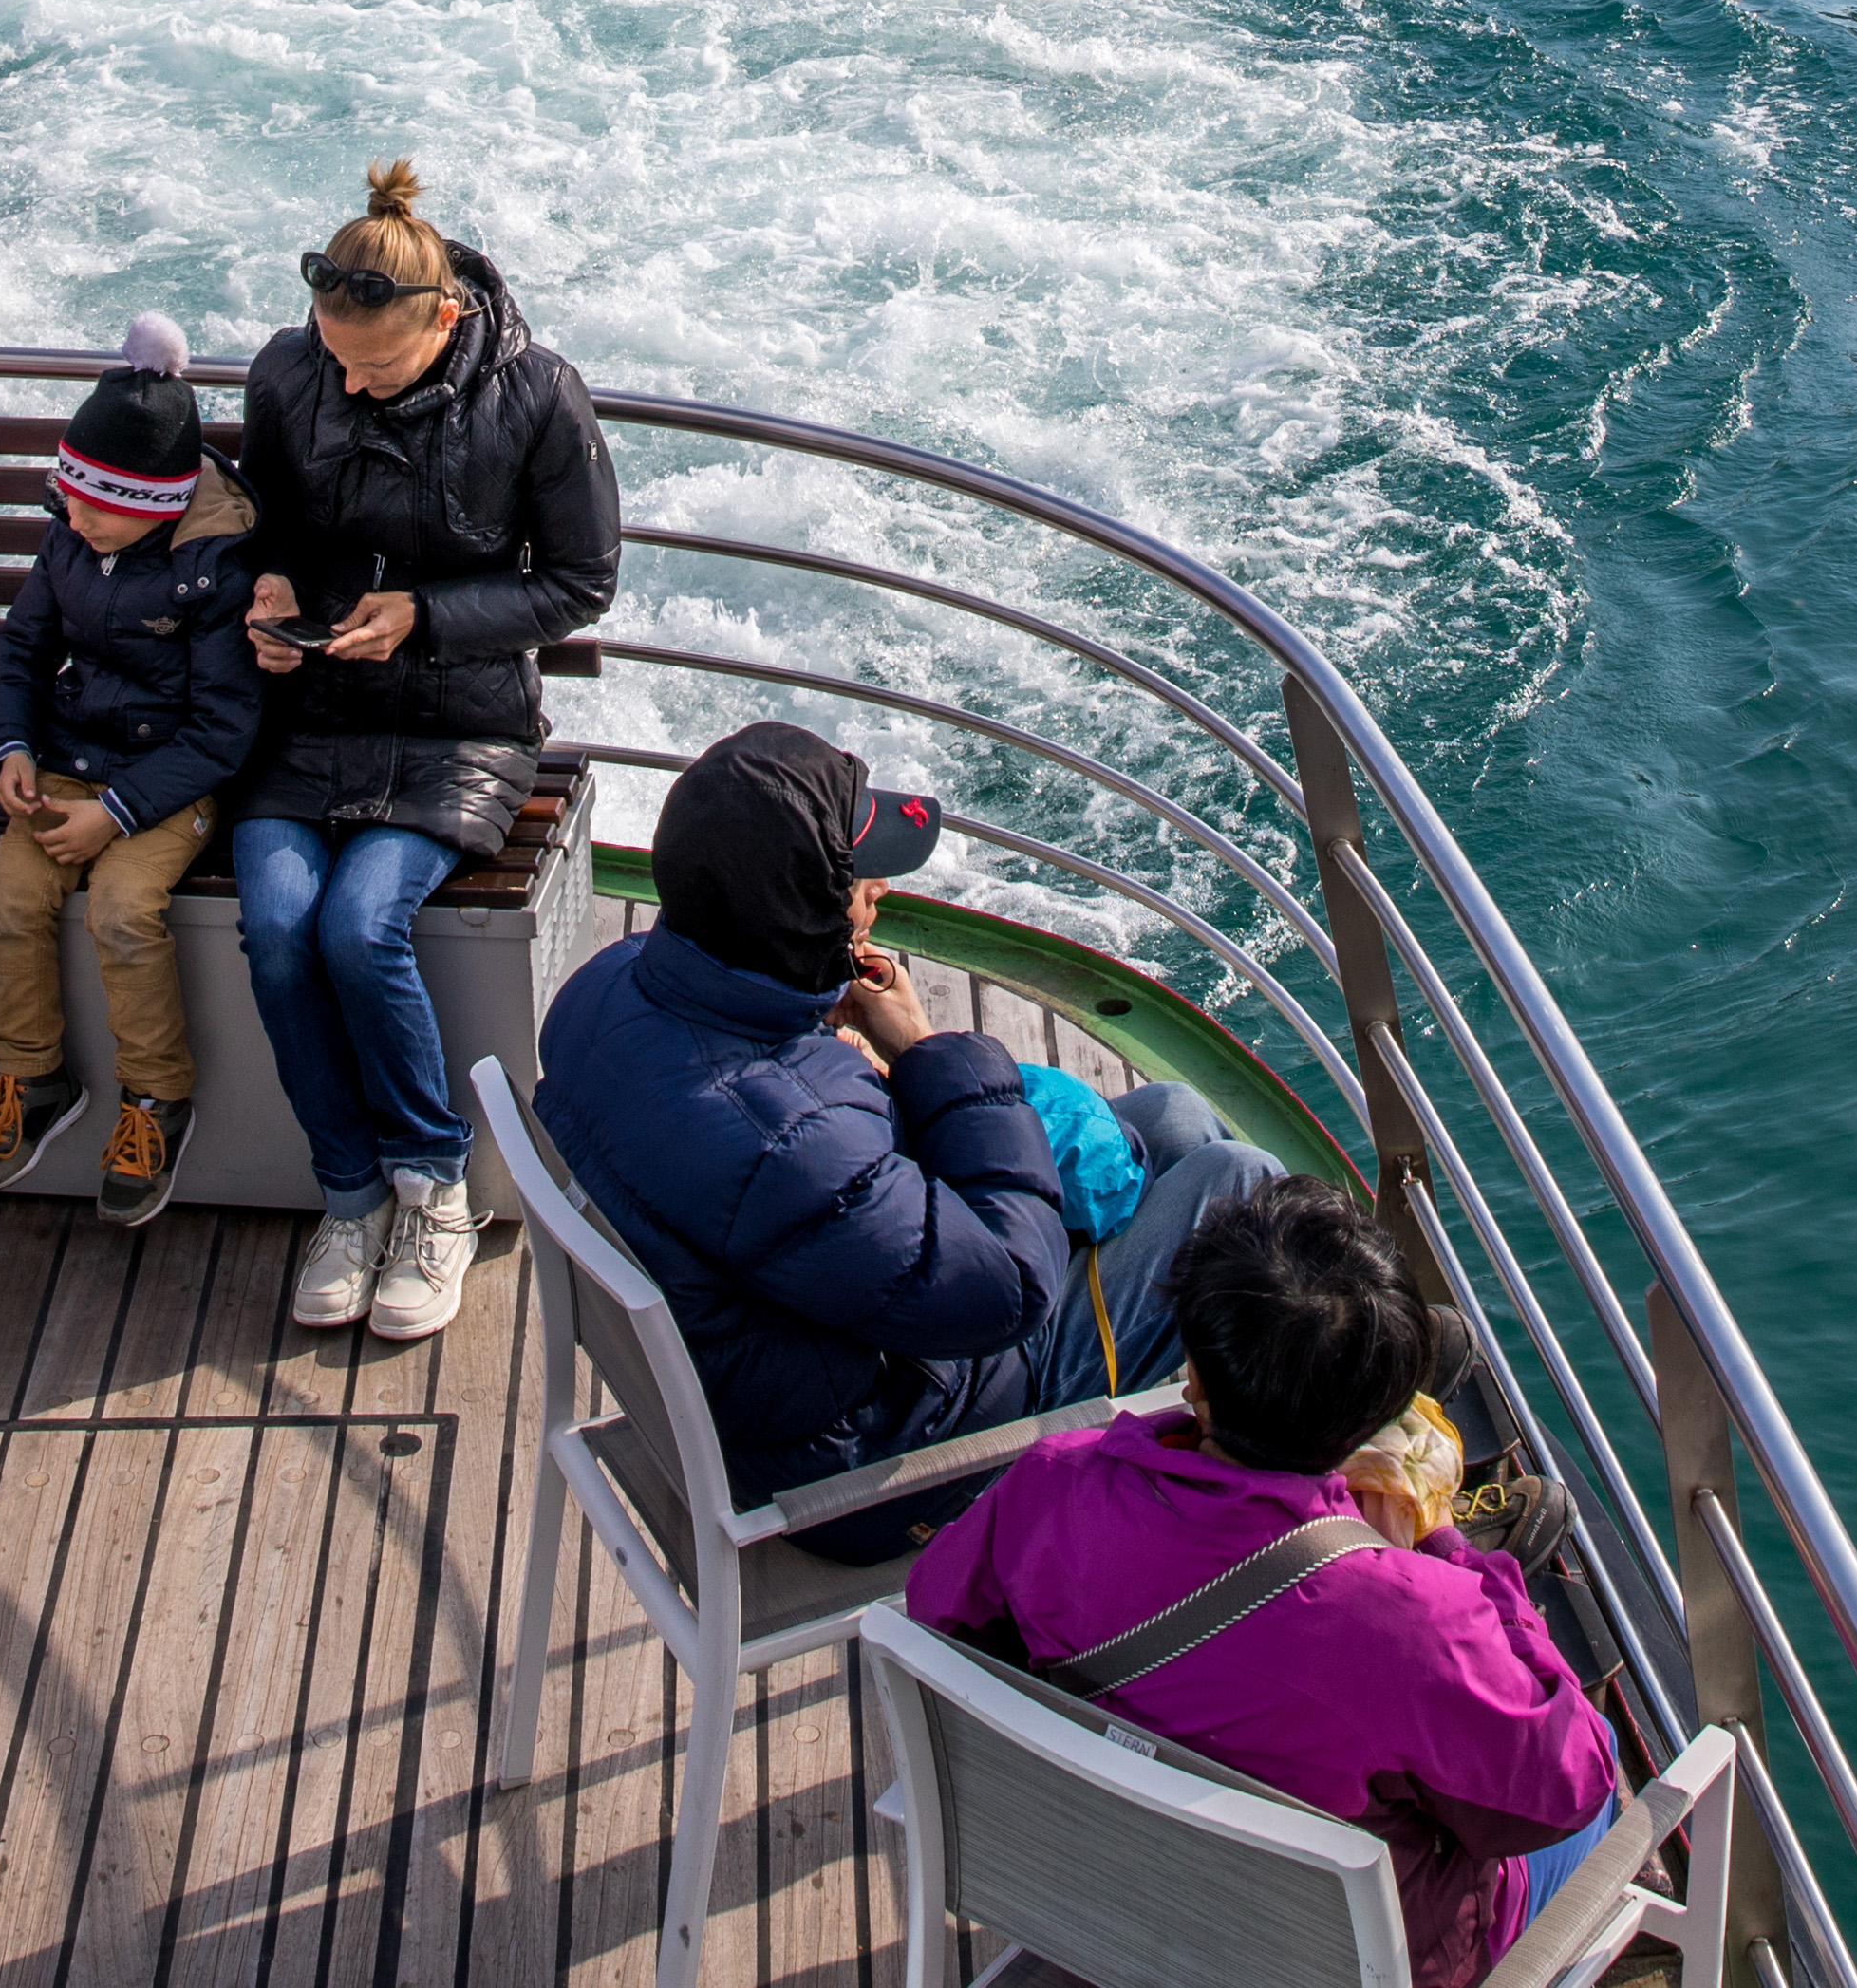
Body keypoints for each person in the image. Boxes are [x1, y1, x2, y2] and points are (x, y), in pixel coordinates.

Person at [536, 721, 1276, 1536]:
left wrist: (814, 1023)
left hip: (786, 1363)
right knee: (1241, 1183)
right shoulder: (792, 1141)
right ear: (801, 918)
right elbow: (1013, 1285)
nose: (881, 889)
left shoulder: (607, 987)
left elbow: (797, 1171)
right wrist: (926, 1048)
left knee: (1175, 1117)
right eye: (861, 878)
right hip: (890, 1450)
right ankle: (1235, 1507)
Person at [902, 1177, 1623, 1988]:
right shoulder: (1419, 1621)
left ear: (1194, 1377)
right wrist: (1444, 1545)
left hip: (1109, 1897)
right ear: (1374, 1422)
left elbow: (941, 1616)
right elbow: (1567, 1785)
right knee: (1601, 1778)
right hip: (1345, 1965)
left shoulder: (1051, 1483)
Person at [232, 159, 619, 1344]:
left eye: (378, 370)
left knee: (360, 927)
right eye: (335, 360)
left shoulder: (540, 394)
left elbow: (581, 583)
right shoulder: (287, 370)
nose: (348, 383)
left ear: (445, 319)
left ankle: (431, 1183)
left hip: (460, 725)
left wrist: (426, 617)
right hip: (311, 714)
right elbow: (263, 523)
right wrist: (270, 589)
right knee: (279, 927)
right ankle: (348, 1194)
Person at [0, 313, 262, 1228]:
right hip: (69, 759)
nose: (74, 515)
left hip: (172, 780)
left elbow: (223, 729)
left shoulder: (214, 569)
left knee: (123, 906)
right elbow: (20, 652)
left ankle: (156, 1096)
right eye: (69, 495)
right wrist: (10, 747)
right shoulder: (70, 537)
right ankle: (34, 1075)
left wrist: (120, 811)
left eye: (96, 504)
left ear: (159, 502)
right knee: (9, 892)